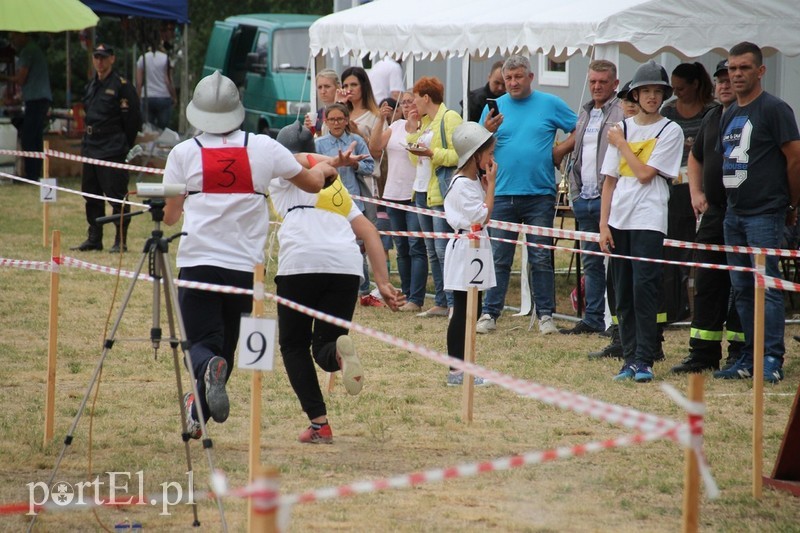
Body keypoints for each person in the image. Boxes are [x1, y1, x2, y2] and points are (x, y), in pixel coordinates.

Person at [161, 72, 338, 439]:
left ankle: (206, 377)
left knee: (200, 344)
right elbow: (312, 182)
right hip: (244, 270)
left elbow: (171, 215)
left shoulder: (182, 153)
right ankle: (198, 412)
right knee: (224, 345)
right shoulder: (263, 147)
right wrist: (324, 167)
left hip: (197, 262)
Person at [271, 122, 403, 443]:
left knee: (293, 345)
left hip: (300, 262)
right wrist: (382, 283)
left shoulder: (280, 177)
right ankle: (340, 357)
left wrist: (327, 162)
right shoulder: (335, 189)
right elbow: (370, 232)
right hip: (345, 265)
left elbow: (292, 161)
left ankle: (319, 424)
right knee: (324, 346)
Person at [714, 42, 800, 384]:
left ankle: (771, 358)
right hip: (733, 214)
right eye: (732, 68)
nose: (736, 74)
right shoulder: (730, 113)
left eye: (744, 68)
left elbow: (794, 158)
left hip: (766, 213)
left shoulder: (775, 109)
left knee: (767, 288)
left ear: (760, 71)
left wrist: (792, 204)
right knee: (742, 288)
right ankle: (750, 354)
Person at [475, 55, 577, 335]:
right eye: (508, 78)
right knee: (499, 257)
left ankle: (545, 315)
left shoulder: (550, 103)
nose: (513, 82)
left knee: (541, 256)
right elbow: (478, 147)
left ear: (531, 77)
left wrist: (559, 151)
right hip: (502, 192)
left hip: (539, 194)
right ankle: (489, 313)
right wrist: (486, 130)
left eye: (518, 76)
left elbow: (579, 129)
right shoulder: (495, 108)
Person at [599, 60, 684, 383]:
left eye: (656, 91)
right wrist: (603, 225)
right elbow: (609, 180)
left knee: (644, 290)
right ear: (635, 93)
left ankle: (645, 359)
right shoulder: (622, 128)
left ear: (663, 95)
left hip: (649, 219)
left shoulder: (669, 130)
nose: (650, 96)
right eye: (645, 90)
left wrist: (622, 145)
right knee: (622, 293)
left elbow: (646, 174)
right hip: (619, 220)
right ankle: (630, 358)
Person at [671, 59, 744, 374]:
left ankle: (742, 354)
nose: (725, 84)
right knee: (708, 284)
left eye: (730, 78)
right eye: (721, 79)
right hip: (713, 213)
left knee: (741, 284)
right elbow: (695, 156)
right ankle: (702, 353)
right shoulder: (713, 116)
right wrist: (696, 194)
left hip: (746, 213)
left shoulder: (755, 113)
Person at [559, 59, 622, 335]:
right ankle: (593, 318)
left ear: (615, 84)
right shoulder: (584, 113)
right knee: (591, 263)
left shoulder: (622, 112)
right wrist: (574, 191)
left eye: (603, 82)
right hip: (583, 198)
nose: (596, 87)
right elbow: (577, 153)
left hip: (608, 198)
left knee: (616, 264)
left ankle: (615, 321)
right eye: (593, 81)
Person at [71, 44, 142, 253]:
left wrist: (122, 146)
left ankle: (120, 240)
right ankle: (94, 237)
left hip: (112, 147)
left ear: (112, 59)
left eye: (103, 57)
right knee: (91, 193)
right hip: (92, 145)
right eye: (96, 57)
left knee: (116, 194)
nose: (99, 61)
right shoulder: (92, 85)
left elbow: (132, 120)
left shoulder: (122, 86)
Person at [405, 76, 463, 317]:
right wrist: (411, 133)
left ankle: (453, 302)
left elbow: (460, 155)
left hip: (440, 192)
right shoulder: (425, 122)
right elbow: (414, 159)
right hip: (421, 192)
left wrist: (433, 153)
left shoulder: (449, 118)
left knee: (443, 249)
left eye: (415, 98)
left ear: (426, 97)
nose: (412, 104)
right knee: (431, 250)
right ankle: (441, 300)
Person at [444, 122, 497, 386]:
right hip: (467, 247)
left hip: (475, 247)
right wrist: (491, 188)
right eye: (488, 154)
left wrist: (486, 185)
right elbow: (482, 215)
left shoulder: (472, 181)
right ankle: (456, 370)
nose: (491, 160)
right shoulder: (462, 184)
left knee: (472, 310)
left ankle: (465, 364)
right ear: (475, 155)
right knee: (464, 309)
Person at [314, 103, 381, 306]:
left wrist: (354, 163)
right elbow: (311, 167)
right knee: (328, 244)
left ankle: (363, 290)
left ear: (346, 120)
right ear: (325, 122)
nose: (336, 123)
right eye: (332, 119)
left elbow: (370, 166)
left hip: (352, 200)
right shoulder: (319, 144)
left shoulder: (356, 141)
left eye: (340, 119)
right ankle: (330, 284)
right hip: (326, 200)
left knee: (356, 246)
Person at [369, 92, 428, 312]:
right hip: (393, 193)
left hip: (414, 194)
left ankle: (416, 297)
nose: (407, 106)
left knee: (416, 246)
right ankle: (407, 292)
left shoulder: (426, 127)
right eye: (403, 103)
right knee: (401, 247)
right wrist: (380, 120)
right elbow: (374, 148)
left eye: (411, 101)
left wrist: (414, 127)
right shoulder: (396, 127)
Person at [1, 33, 51, 181]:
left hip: (37, 100)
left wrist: (4, 78)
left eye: (13, 37)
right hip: (37, 99)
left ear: (22, 35)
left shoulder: (28, 51)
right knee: (35, 137)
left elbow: (21, 79)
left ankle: (31, 174)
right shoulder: (33, 49)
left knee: (29, 137)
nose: (13, 41)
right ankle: (34, 172)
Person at [136, 45, 177, 130]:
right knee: (162, 131)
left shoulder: (142, 58)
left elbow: (139, 82)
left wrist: (137, 98)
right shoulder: (166, 58)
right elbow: (168, 80)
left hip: (147, 97)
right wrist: (174, 96)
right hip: (163, 97)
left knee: (148, 129)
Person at [305, 69, 340, 136]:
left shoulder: (345, 111)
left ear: (338, 87)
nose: (323, 91)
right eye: (320, 87)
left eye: (327, 86)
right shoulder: (319, 114)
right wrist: (308, 129)